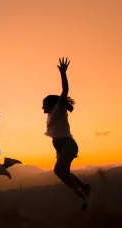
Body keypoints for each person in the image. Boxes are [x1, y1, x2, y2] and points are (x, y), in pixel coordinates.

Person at [42, 57, 91, 210]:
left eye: (43, 105)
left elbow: (65, 91)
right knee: (65, 172)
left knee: (58, 171)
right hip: (60, 146)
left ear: (51, 105)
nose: (42, 107)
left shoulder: (58, 110)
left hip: (68, 145)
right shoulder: (50, 115)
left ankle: (81, 194)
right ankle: (84, 188)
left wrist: (63, 73)